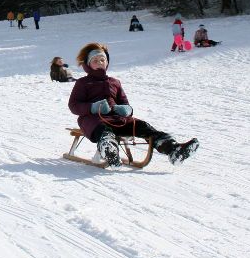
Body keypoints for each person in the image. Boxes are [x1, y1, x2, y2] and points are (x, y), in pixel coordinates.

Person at [68, 42, 198, 167]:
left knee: (143, 126)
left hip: (118, 119)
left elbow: (125, 103)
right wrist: (93, 107)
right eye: (95, 60)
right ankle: (109, 150)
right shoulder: (83, 83)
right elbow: (73, 105)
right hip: (93, 120)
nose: (100, 63)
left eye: (102, 60)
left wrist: (125, 110)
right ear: (88, 64)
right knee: (104, 131)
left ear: (107, 62)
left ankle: (173, 150)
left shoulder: (115, 82)